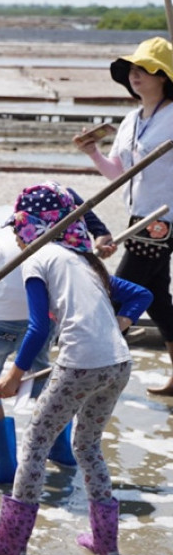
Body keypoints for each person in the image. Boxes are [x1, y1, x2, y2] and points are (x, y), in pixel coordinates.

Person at [0, 183, 151, 555]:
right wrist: (118, 326)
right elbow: (139, 295)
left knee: (35, 443)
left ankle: (11, 539)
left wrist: (15, 374)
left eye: (17, 227)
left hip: (80, 364)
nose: (16, 235)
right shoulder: (84, 258)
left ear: (29, 226)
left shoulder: (39, 258)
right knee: (87, 445)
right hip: (118, 364)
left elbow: (36, 328)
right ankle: (105, 540)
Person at [0, 191, 113, 482]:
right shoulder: (20, 213)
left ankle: (1, 466)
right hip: (43, 310)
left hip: (2, 314)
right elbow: (73, 200)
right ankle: (61, 452)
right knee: (41, 378)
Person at [75, 36, 173, 395]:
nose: (137, 75)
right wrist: (93, 153)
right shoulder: (132, 119)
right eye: (133, 69)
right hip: (138, 217)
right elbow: (120, 173)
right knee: (157, 297)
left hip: (164, 219)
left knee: (116, 291)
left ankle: (96, 374)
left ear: (164, 75)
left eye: (145, 69)